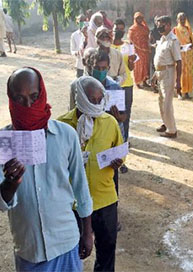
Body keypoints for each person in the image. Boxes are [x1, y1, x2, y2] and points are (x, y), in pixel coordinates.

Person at [1, 67, 93, 271]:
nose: (28, 105)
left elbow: (80, 185)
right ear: (11, 100)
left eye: (34, 97)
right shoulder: (4, 142)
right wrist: (10, 183)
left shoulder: (66, 135)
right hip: (30, 249)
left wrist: (87, 231)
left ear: (42, 94)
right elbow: (2, 203)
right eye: (20, 99)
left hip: (66, 242)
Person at [58, 76, 124, 271]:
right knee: (72, 253)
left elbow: (119, 149)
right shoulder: (62, 126)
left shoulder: (109, 122)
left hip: (104, 198)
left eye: (99, 100)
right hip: (72, 202)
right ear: (80, 98)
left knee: (107, 249)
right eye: (91, 100)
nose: (96, 105)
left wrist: (118, 162)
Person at [112, 19, 136, 173]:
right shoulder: (108, 47)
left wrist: (132, 61)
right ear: (112, 29)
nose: (119, 31)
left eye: (122, 29)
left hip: (126, 86)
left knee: (124, 120)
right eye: (117, 28)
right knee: (112, 120)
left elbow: (131, 68)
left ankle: (122, 158)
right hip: (112, 88)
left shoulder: (128, 46)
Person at [151, 15, 181, 138]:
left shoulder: (173, 40)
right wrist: (154, 76)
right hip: (160, 73)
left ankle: (172, 130)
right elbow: (159, 60)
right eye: (158, 25)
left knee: (167, 103)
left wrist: (178, 81)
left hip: (168, 73)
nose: (159, 27)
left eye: (161, 25)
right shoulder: (163, 39)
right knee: (161, 100)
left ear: (168, 25)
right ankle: (165, 122)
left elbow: (178, 61)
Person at [173, 12, 193, 100]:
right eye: (180, 19)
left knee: (188, 73)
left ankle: (187, 91)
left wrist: (191, 45)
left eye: (183, 19)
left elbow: (191, 40)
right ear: (177, 20)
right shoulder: (175, 30)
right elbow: (173, 42)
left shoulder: (188, 29)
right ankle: (179, 91)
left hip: (188, 55)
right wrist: (179, 47)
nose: (182, 20)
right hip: (179, 55)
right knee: (180, 73)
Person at [128, 12, 150, 89]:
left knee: (145, 66)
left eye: (141, 18)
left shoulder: (144, 27)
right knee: (138, 66)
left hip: (145, 50)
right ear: (135, 19)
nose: (139, 20)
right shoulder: (132, 29)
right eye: (138, 18)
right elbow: (130, 40)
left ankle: (144, 81)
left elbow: (148, 34)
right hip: (137, 50)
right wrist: (131, 51)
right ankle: (137, 82)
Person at [149, 16, 161, 92]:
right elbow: (149, 42)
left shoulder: (163, 31)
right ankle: (154, 85)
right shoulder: (152, 31)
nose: (157, 22)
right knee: (154, 67)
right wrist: (153, 45)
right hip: (154, 51)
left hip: (162, 51)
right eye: (156, 21)